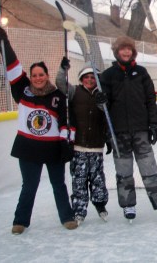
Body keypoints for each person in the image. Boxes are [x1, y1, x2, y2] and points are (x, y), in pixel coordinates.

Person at [0, 27, 77, 234]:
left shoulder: (58, 95)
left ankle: (67, 217)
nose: (38, 78)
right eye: (34, 75)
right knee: (29, 186)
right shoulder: (21, 90)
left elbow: (66, 122)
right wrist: (4, 44)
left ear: (47, 75)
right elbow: (13, 68)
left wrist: (66, 144)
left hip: (52, 150)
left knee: (59, 184)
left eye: (41, 74)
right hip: (28, 149)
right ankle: (20, 221)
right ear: (30, 77)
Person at [99, 36, 157, 222]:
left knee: (150, 169)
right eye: (122, 49)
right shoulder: (108, 75)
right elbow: (104, 108)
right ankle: (129, 205)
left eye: (129, 49)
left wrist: (154, 125)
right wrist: (101, 104)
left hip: (141, 130)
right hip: (119, 132)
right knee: (123, 171)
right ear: (117, 52)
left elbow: (150, 100)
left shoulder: (141, 73)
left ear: (133, 52)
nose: (126, 52)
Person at [56, 61, 109, 225]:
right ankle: (79, 210)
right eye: (86, 77)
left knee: (97, 179)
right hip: (78, 146)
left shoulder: (102, 95)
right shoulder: (74, 92)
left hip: (96, 146)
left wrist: (103, 103)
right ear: (81, 78)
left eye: (93, 77)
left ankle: (100, 205)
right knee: (79, 180)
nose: (90, 80)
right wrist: (63, 69)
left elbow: (107, 114)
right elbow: (60, 83)